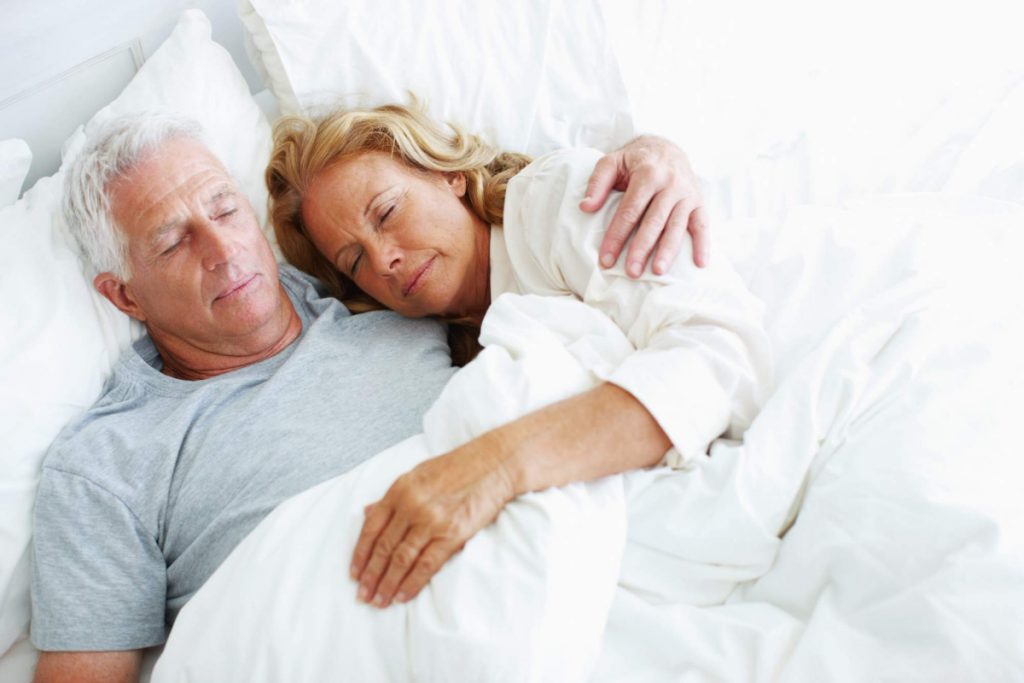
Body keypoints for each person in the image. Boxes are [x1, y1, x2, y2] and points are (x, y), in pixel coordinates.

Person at [29, 112, 702, 683]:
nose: (224, 248)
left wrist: (654, 154)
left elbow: (486, 210)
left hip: (553, 580)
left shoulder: (371, 284)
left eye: (226, 208)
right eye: (173, 241)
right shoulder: (105, 463)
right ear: (125, 295)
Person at [266, 103, 772, 614]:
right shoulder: (442, 349)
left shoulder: (553, 200)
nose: (384, 260)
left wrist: (497, 466)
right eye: (355, 262)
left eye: (387, 212)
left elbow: (722, 358)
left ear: (448, 176)